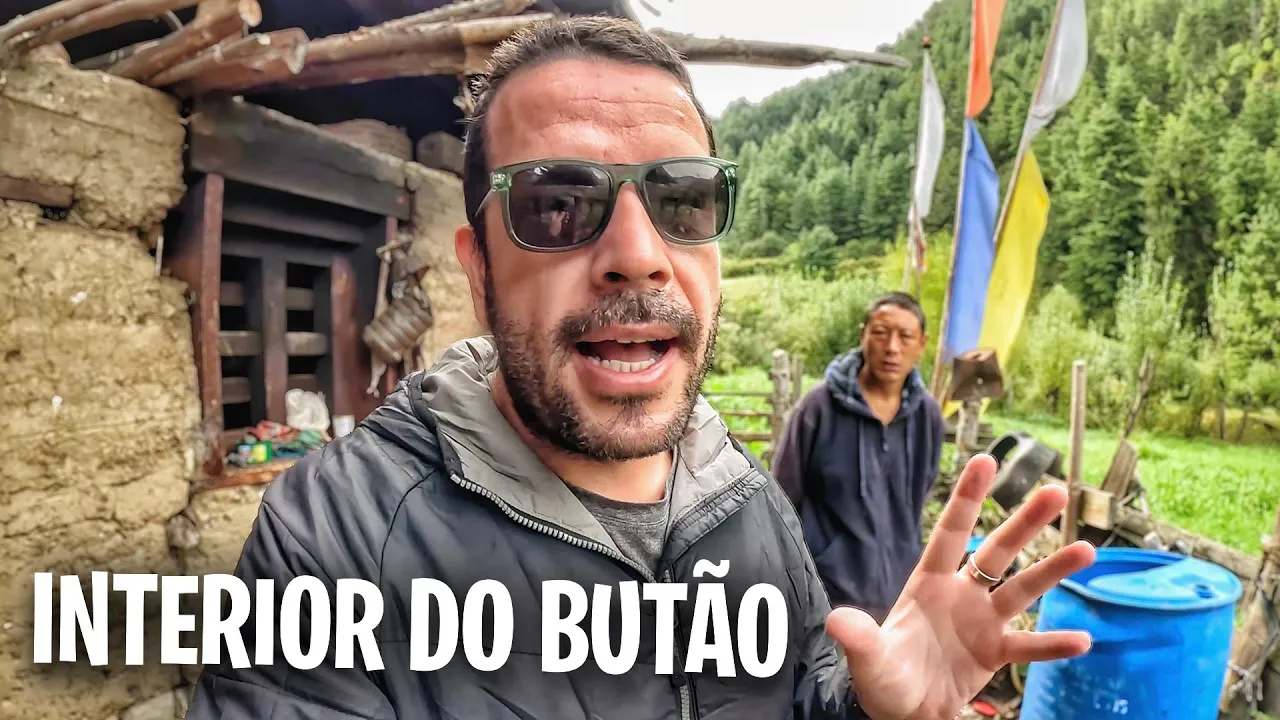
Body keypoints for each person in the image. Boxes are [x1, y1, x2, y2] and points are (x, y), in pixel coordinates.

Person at [185, 16, 1095, 720]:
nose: (638, 255)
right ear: (478, 269)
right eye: (555, 202)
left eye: (683, 199)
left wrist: (868, 709)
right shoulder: (336, 540)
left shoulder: (741, 497)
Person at [771, 293, 945, 624]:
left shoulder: (927, 417)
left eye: (905, 337)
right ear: (863, 334)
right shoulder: (819, 408)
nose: (892, 348)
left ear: (921, 344)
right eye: (881, 333)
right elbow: (782, 499)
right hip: (826, 597)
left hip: (898, 598)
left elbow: (919, 495)